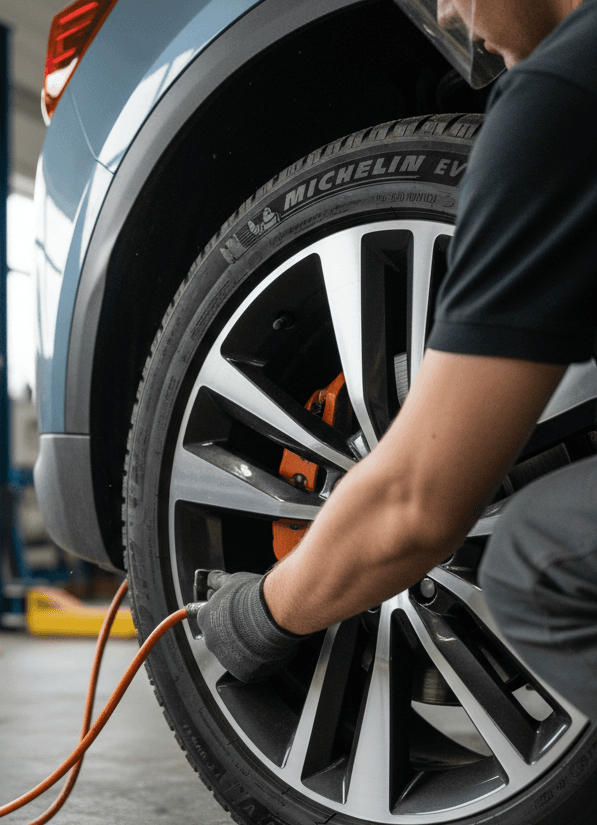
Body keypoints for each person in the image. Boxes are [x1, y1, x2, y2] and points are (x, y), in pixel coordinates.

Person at [197, 0, 597, 716]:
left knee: (540, 562)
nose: (445, 11)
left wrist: (258, 614)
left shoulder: (561, 96)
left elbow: (412, 504)